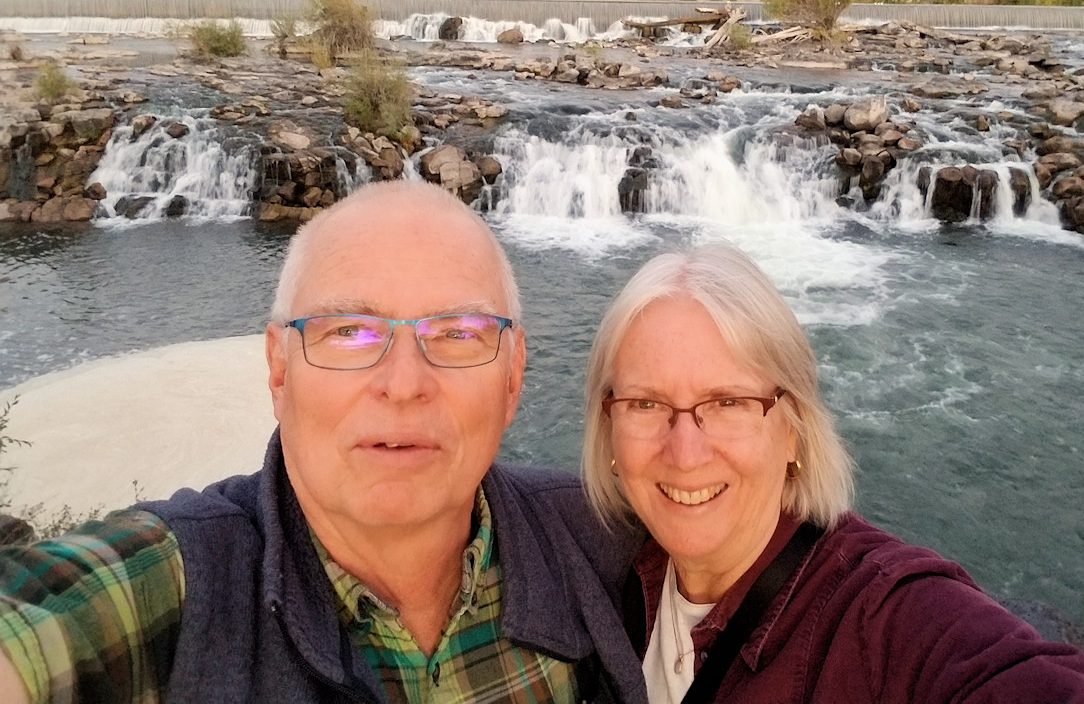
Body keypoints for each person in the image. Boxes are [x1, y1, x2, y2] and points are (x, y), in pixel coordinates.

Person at [0, 180, 647, 704]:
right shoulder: (170, 588)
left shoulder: (594, 538)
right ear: (279, 371)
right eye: (350, 332)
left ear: (512, 378)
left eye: (457, 332)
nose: (403, 384)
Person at [580, 241, 1084, 704]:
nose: (685, 451)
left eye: (728, 402)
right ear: (607, 426)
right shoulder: (599, 569)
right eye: (646, 404)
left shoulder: (882, 618)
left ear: (794, 427)